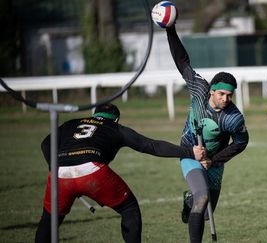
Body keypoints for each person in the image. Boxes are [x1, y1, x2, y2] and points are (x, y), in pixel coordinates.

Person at [35, 103, 206, 243]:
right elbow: (151, 146)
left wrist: (55, 165)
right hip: (92, 170)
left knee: (49, 221)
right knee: (129, 209)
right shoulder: (115, 128)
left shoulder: (71, 124)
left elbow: (45, 144)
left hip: (59, 174)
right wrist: (190, 152)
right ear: (116, 119)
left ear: (94, 115)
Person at [165, 24, 249, 243]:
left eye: (230, 95)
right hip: (189, 151)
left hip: (214, 161)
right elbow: (182, 61)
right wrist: (170, 30)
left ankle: (188, 202)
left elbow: (241, 142)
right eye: (221, 93)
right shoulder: (200, 89)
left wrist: (213, 160)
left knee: (204, 210)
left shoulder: (233, 117)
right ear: (212, 90)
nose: (226, 99)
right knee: (202, 198)